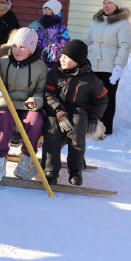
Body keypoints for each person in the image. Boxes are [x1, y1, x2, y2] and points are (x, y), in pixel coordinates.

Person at [41, 40, 108, 186]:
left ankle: (76, 171)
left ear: (77, 61)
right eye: (62, 55)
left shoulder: (90, 80)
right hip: (56, 111)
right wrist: (59, 111)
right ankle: (50, 170)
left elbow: (102, 100)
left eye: (67, 57)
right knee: (52, 131)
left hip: (78, 110)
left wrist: (94, 117)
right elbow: (48, 94)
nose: (61, 59)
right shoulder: (55, 73)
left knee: (78, 132)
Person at [0, 27, 47, 182]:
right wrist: (2, 102)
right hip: (6, 103)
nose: (17, 50)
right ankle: (0, 160)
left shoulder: (40, 67)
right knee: (2, 119)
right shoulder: (3, 63)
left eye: (22, 47)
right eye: (15, 46)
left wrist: (35, 101)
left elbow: (41, 90)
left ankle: (27, 156)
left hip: (27, 105)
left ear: (31, 49)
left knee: (35, 122)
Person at [84, 0, 131, 135]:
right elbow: (88, 41)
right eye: (104, 3)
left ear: (117, 5)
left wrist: (119, 67)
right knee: (91, 96)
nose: (106, 5)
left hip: (109, 66)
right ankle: (90, 126)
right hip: (92, 64)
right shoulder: (96, 21)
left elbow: (125, 45)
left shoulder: (123, 24)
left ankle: (105, 128)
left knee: (107, 97)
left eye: (110, 3)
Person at [29, 0, 70, 69]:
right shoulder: (37, 25)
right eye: (44, 8)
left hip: (53, 61)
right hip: (37, 59)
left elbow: (65, 45)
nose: (45, 10)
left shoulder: (61, 28)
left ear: (55, 11)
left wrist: (53, 49)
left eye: (49, 9)